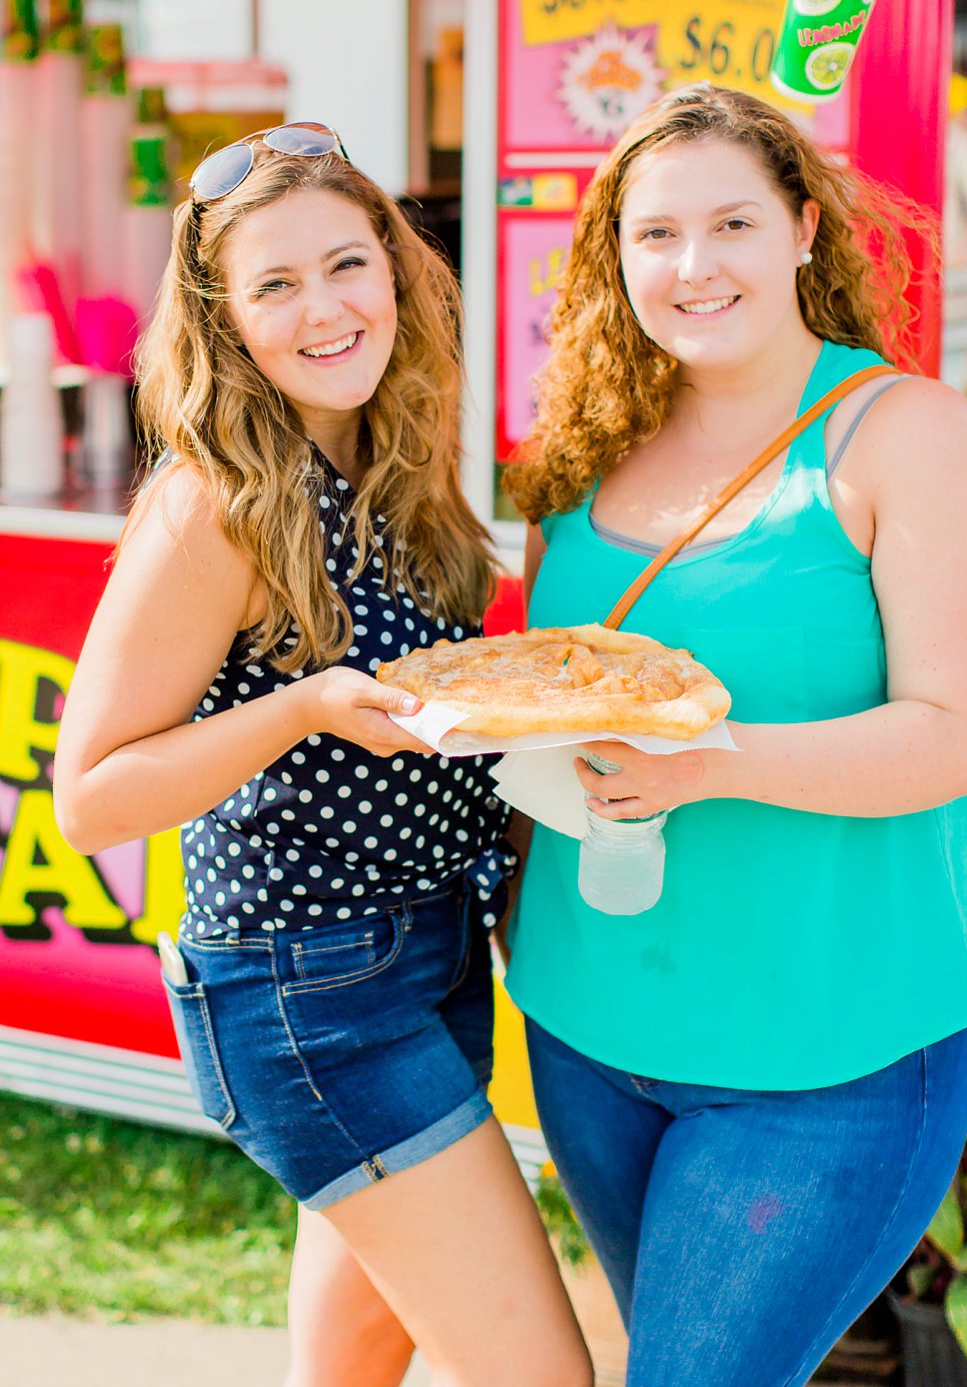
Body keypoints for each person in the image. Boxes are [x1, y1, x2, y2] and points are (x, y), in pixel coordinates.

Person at [51, 126, 591, 1387]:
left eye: (346, 264)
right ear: (225, 320)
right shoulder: (217, 503)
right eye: (275, 286)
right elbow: (89, 796)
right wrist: (302, 706)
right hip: (311, 996)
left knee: (344, 1371)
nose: (324, 309)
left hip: (430, 959)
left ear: (396, 268)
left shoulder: (394, 459)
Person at [501, 84, 967, 1386]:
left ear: (801, 227)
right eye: (655, 233)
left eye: (731, 221)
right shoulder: (578, 453)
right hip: (588, 1027)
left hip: (830, 1049)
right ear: (613, 257)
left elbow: (963, 732)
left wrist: (711, 764)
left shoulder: (903, 435)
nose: (693, 265)